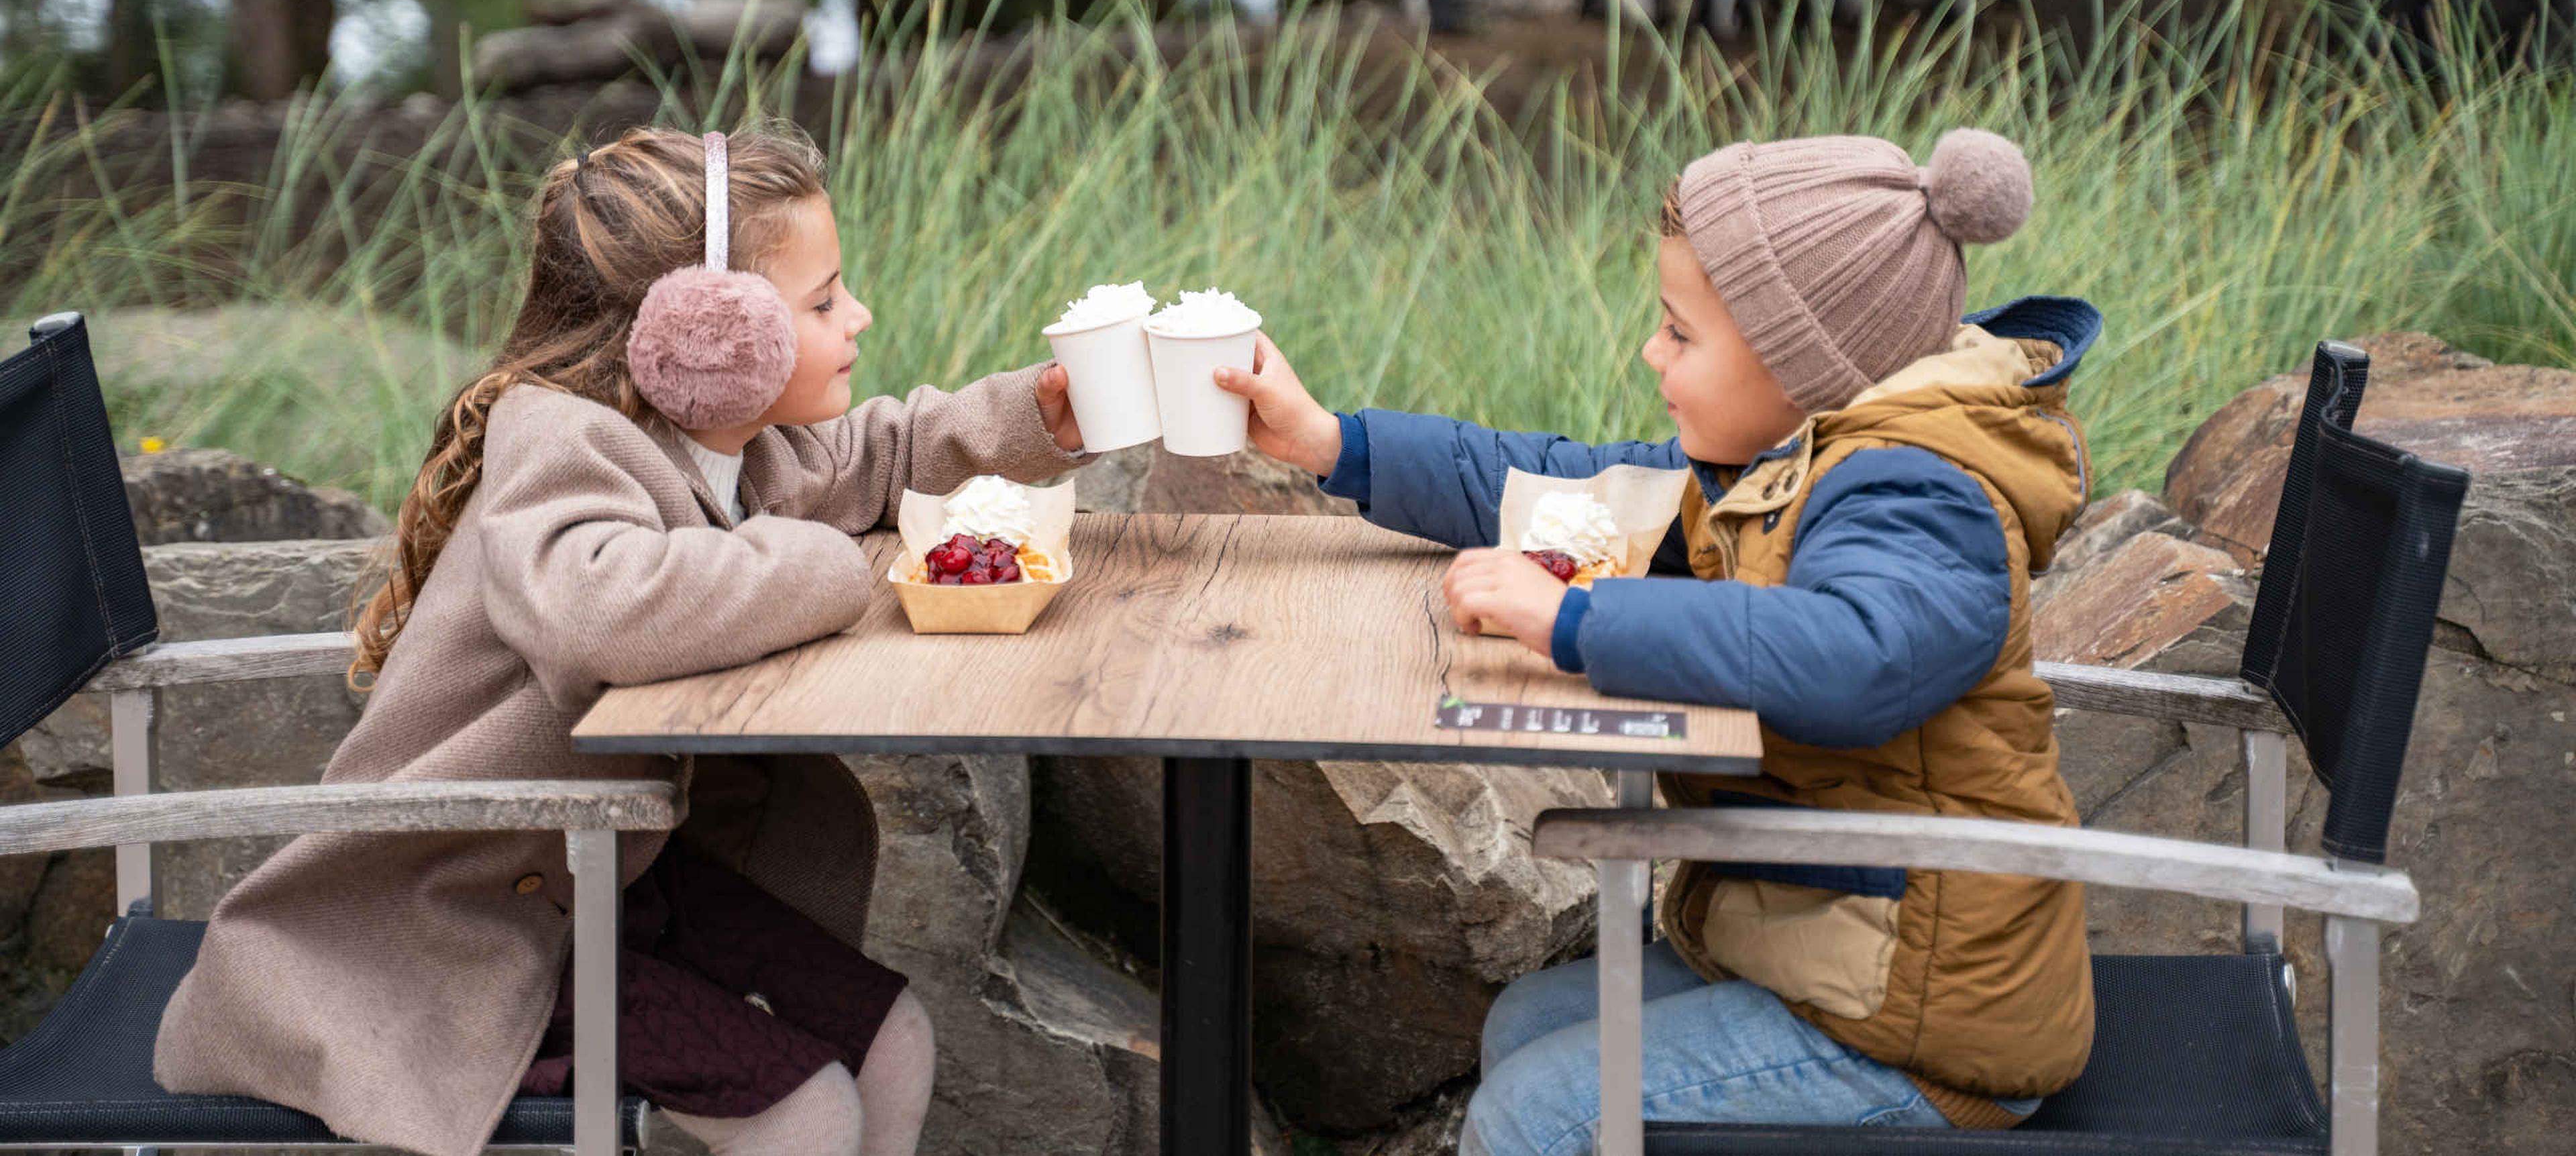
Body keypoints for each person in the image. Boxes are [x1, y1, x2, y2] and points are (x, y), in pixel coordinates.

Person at [154, 125, 1091, 1156]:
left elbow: (880, 454)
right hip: (457, 923)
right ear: (712, 324)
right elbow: (602, 606)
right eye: (823, 302)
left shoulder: (731, 438)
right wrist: (824, 568)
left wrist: (1038, 417)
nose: (857, 315)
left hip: (611, 869)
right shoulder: (564, 439)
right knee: (810, 1110)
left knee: (893, 1043)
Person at [1219, 129, 2100, 1150]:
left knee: (1540, 1114)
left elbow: (1860, 656)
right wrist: (1334, 443)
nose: (1652, 352)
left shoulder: (1916, 491)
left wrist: (1576, 621)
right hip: (1826, 946)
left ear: (1800, 362)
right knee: (1529, 1023)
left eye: (1680, 333)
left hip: (1919, 1017)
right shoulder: (1783, 462)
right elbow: (1571, 483)